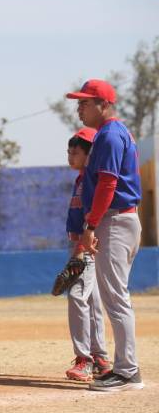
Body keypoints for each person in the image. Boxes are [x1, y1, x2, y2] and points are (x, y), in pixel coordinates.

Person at [66, 79, 143, 392]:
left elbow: (108, 185)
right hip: (117, 220)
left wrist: (91, 225)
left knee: (115, 299)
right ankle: (126, 369)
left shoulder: (110, 134)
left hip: (114, 221)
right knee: (113, 297)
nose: (79, 108)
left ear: (103, 104)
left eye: (85, 102)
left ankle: (127, 372)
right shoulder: (108, 134)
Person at [62, 127, 111, 381]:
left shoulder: (91, 179)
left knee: (78, 295)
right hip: (81, 243)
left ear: (90, 153)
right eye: (68, 151)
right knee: (91, 302)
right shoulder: (81, 179)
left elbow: (93, 215)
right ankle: (100, 358)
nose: (70, 156)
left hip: (88, 244)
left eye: (76, 152)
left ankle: (84, 359)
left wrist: (80, 248)